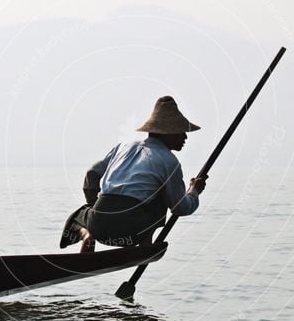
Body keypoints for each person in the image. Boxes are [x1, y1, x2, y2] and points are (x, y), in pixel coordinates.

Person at [60, 96, 207, 252]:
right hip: (131, 232)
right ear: (166, 132)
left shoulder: (123, 146)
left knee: (80, 215)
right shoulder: (169, 162)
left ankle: (87, 234)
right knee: (161, 198)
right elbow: (180, 208)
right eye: (181, 131)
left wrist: (95, 207)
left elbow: (92, 174)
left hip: (99, 226)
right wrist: (194, 191)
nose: (185, 136)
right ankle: (146, 244)